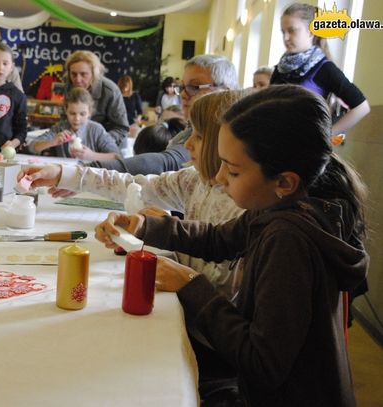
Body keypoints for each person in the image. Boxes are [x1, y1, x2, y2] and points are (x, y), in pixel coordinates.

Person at [95, 85, 368, 406]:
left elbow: (262, 363)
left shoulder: (288, 240)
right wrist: (145, 225)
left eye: (234, 170)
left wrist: (191, 284)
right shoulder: (277, 209)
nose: (220, 177)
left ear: (284, 182)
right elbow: (219, 239)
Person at [18, 91, 246, 298]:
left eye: (198, 136)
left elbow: (222, 287)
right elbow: (126, 183)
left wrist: (180, 269)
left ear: (222, 142)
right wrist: (62, 174)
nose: (187, 144)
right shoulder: (192, 180)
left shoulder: (242, 205)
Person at [86, 54, 238, 175]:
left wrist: (88, 170)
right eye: (183, 87)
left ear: (226, 90)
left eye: (195, 86)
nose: (183, 95)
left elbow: (166, 163)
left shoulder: (223, 135)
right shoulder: (191, 129)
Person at [271, 2, 370, 135]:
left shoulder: (325, 68)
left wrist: (326, 136)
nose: (285, 38)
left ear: (311, 31)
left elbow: (362, 107)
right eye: (283, 32)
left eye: (292, 30)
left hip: (303, 150)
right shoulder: (281, 68)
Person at [26, 88, 119, 160]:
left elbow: (117, 157)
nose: (77, 119)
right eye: (72, 113)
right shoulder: (60, 128)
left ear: (90, 112)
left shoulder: (96, 130)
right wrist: (52, 142)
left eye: (82, 114)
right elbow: (32, 147)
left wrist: (92, 155)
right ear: (66, 110)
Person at [64, 50, 129, 146]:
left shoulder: (110, 90)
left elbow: (121, 128)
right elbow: (65, 119)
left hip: (109, 145)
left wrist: (98, 142)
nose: (77, 80)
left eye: (83, 74)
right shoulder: (69, 86)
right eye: (73, 74)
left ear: (94, 74)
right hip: (79, 144)